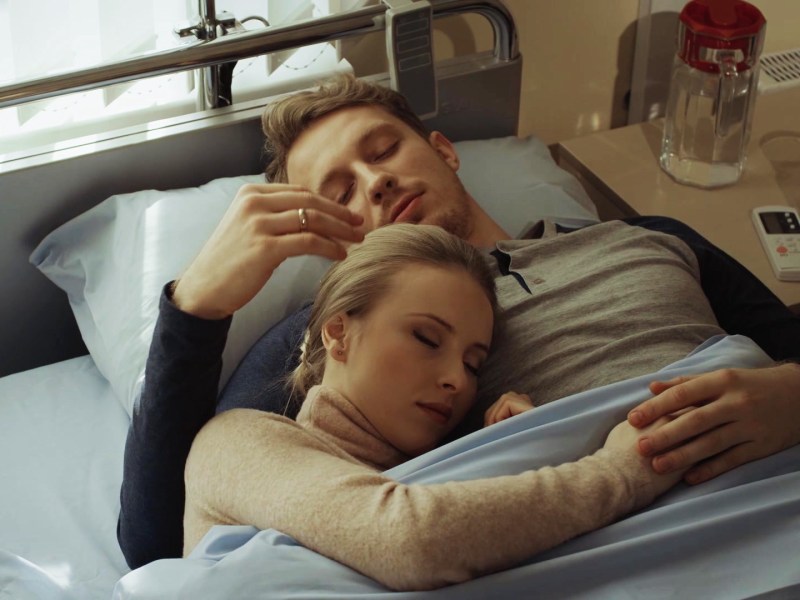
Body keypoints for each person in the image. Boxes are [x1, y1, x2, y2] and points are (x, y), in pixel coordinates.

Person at [118, 73, 800, 570]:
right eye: (339, 192)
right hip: (625, 550)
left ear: (443, 150)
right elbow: (160, 541)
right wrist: (197, 308)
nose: (374, 183)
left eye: (382, 151)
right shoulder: (341, 340)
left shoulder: (646, 238)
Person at [182, 223, 686, 591]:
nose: (455, 381)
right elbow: (408, 538)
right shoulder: (236, 441)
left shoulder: (454, 477)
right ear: (338, 333)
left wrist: (524, 451)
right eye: (426, 338)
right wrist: (621, 472)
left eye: (473, 364)